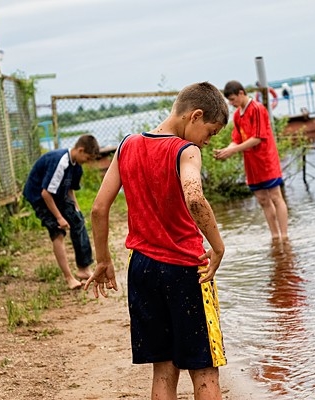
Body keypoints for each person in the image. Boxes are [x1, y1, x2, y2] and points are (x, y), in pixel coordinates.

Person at [85, 82, 229, 400]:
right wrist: (218, 246)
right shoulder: (185, 151)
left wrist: (103, 260)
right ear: (195, 115)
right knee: (205, 370)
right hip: (185, 269)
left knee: (163, 369)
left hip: (143, 270)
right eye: (211, 132)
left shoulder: (127, 145)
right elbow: (194, 197)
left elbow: (98, 208)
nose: (207, 142)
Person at [214, 80, 289, 241]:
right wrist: (227, 149)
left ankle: (284, 235)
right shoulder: (237, 115)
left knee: (276, 196)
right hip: (251, 163)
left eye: (233, 99)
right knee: (262, 199)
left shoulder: (257, 109)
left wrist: (234, 149)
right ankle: (275, 235)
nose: (232, 103)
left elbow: (258, 138)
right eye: (230, 101)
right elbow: (237, 138)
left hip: (266, 159)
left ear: (241, 93)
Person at [23, 134, 100, 290]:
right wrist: (59, 218)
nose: (88, 162)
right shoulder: (61, 162)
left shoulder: (76, 166)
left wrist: (76, 209)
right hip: (39, 196)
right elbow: (45, 193)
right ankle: (68, 278)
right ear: (80, 150)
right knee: (58, 232)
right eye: (88, 157)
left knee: (78, 221)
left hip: (57, 195)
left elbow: (70, 190)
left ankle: (83, 268)